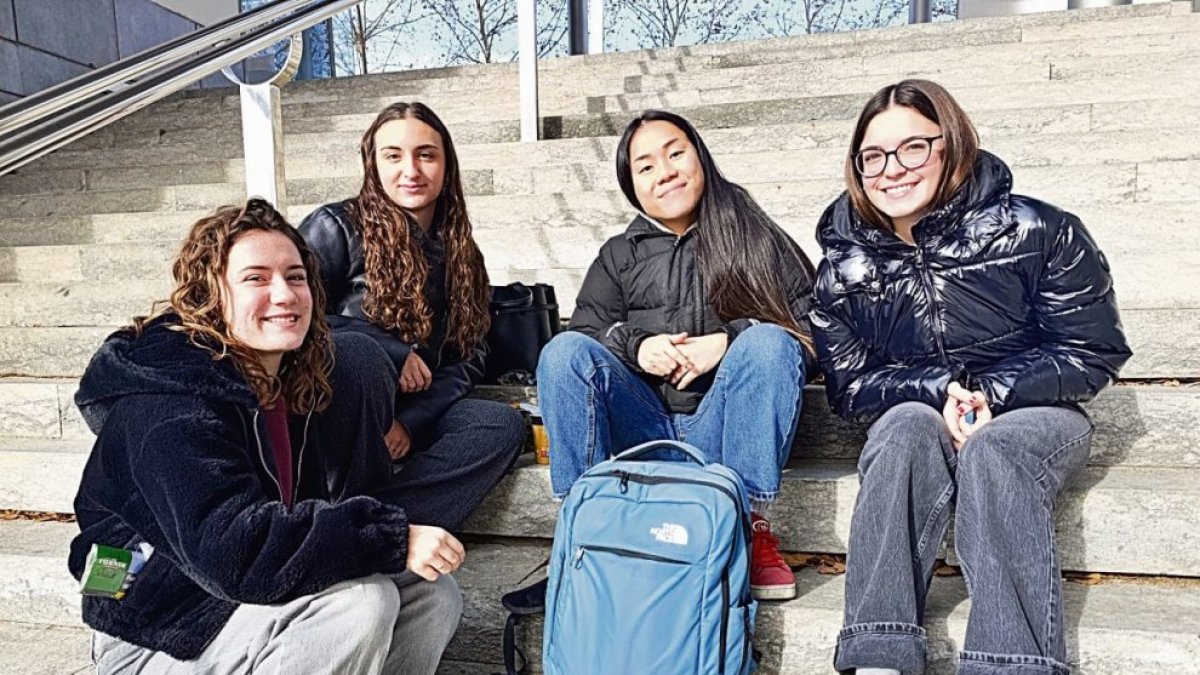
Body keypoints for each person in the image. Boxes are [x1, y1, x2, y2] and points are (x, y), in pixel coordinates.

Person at [809, 80, 1132, 675]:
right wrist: (936, 390)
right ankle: (878, 652)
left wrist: (992, 394)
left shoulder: (1038, 230)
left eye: (913, 148)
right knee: (902, 428)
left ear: (950, 143)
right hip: (925, 412)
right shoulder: (841, 271)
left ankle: (1011, 663)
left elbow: (1092, 349)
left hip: (1035, 410)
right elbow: (851, 387)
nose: (892, 170)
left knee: (994, 447)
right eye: (873, 156)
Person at [69, 199, 467, 674]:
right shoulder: (166, 403)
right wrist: (387, 536)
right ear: (211, 296)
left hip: (231, 603)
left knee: (430, 592)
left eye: (295, 276)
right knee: (358, 605)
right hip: (153, 632)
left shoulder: (288, 380)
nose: (284, 294)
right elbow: (233, 549)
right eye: (256, 278)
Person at [536, 110, 819, 601]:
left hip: (721, 428)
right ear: (632, 186)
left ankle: (747, 528)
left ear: (700, 157)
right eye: (645, 166)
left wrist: (728, 341)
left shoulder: (753, 235)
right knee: (562, 353)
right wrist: (637, 346)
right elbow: (585, 335)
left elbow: (814, 329)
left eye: (675, 153)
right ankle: (583, 528)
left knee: (770, 342)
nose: (664, 171)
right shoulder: (617, 255)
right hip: (639, 428)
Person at [299, 102, 524, 530]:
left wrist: (410, 420)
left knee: (498, 424)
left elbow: (470, 351)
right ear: (373, 163)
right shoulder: (336, 226)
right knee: (358, 354)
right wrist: (392, 350)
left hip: (416, 409)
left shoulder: (461, 249)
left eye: (426, 154)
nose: (411, 170)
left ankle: (372, 527)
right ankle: (352, 521)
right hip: (343, 404)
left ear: (446, 164)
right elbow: (294, 317)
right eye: (393, 155)